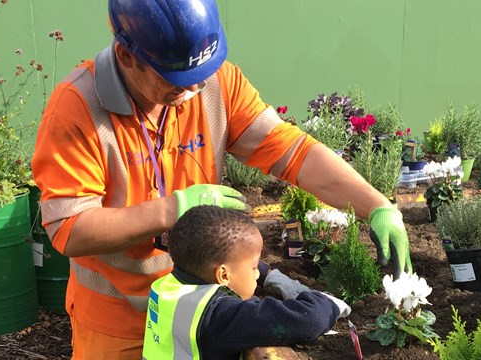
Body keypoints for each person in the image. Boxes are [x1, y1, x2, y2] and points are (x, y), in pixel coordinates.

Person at [31, 0, 412, 358]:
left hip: (208, 311)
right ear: (126, 56)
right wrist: (173, 209)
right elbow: (70, 228)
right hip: (118, 325)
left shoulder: (214, 82)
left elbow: (291, 152)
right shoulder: (77, 107)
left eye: (200, 75)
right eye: (177, 80)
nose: (195, 90)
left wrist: (376, 205)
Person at [143, 205, 351, 359]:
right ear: (223, 276)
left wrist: (267, 275)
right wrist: (328, 303)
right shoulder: (219, 316)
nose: (257, 274)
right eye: (254, 268)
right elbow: (308, 320)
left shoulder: (170, 284)